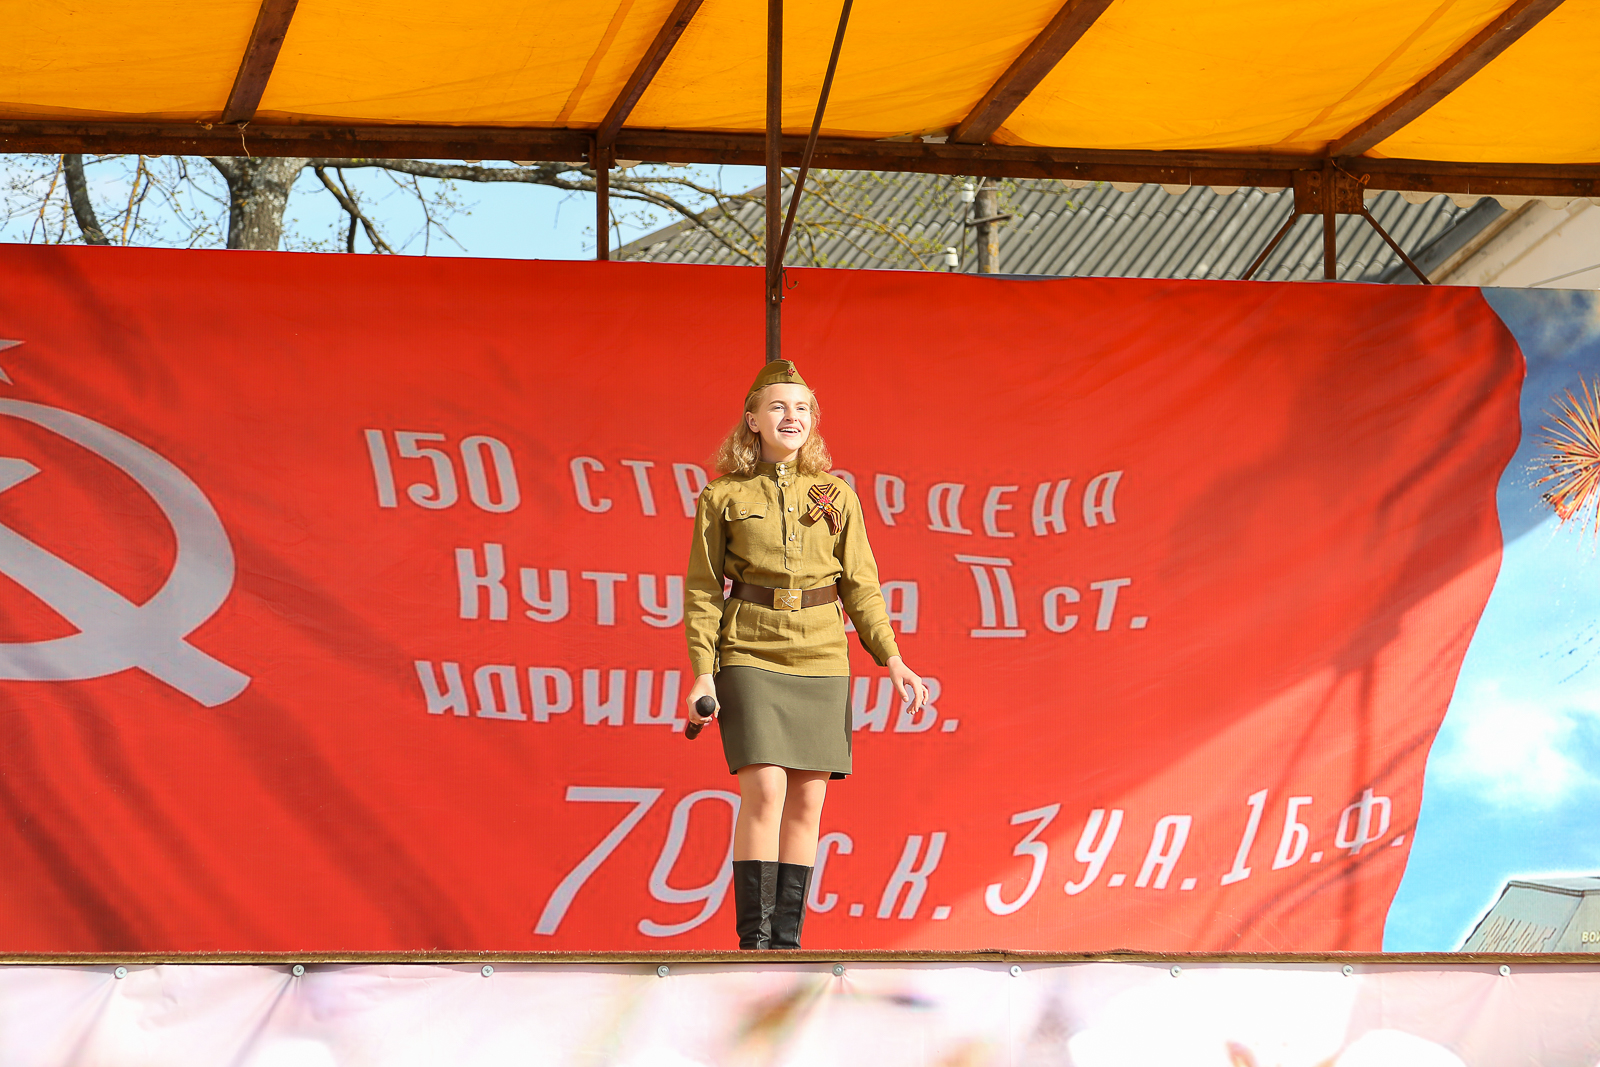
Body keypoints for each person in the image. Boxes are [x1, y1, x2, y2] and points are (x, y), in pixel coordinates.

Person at [684, 358, 929, 950]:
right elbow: (703, 589)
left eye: (802, 408)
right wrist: (701, 674)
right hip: (749, 649)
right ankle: (753, 941)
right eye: (777, 406)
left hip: (822, 653)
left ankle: (786, 944)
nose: (790, 416)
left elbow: (862, 586)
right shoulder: (722, 495)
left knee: (808, 800)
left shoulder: (838, 495)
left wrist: (892, 658)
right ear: (753, 420)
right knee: (765, 789)